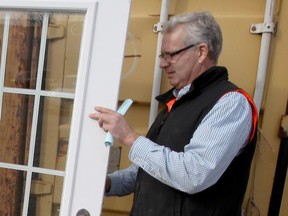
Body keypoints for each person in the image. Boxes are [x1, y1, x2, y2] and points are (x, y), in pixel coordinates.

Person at [89, 11, 258, 216]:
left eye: (171, 55)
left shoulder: (230, 103)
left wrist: (130, 138)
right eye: (163, 55)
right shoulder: (178, 101)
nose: (163, 63)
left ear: (201, 51)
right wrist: (109, 183)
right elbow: (149, 170)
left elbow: (193, 174)